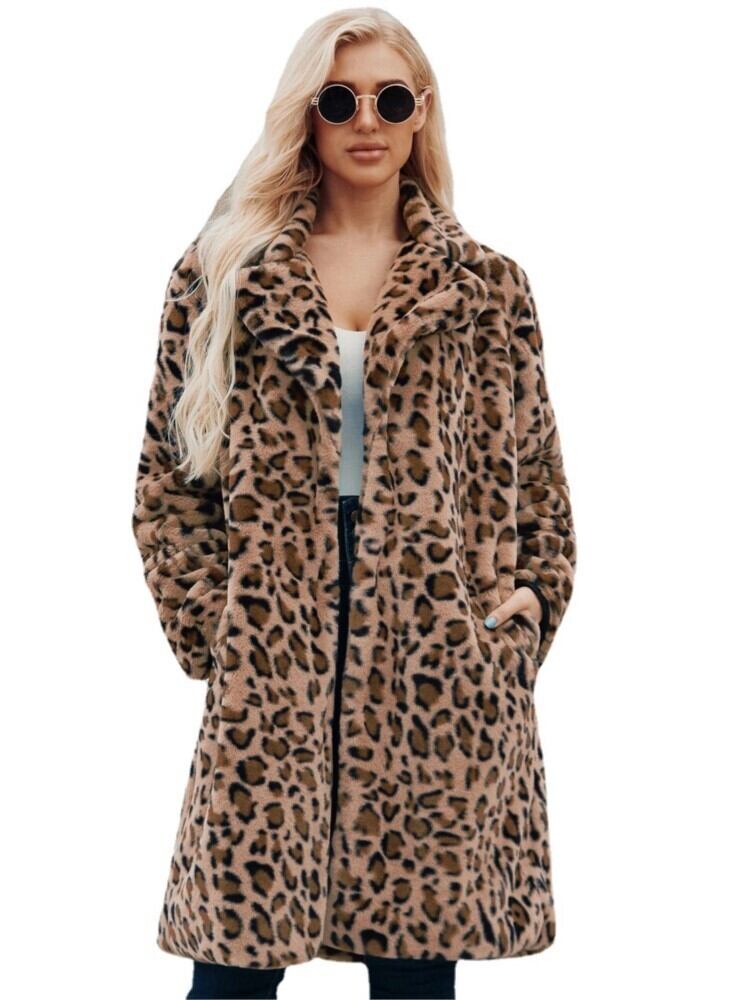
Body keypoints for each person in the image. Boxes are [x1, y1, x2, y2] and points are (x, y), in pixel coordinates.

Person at [131, 8, 576, 1000]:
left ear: (422, 113)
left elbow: (540, 480)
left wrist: (523, 612)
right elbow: (168, 484)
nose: (365, 120)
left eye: (390, 98)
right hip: (274, 640)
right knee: (233, 967)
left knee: (415, 976)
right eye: (339, 100)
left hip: (435, 652)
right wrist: (218, 626)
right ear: (308, 115)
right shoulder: (223, 275)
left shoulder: (488, 289)